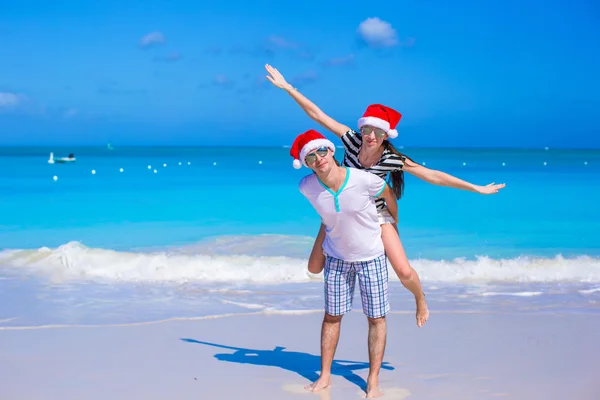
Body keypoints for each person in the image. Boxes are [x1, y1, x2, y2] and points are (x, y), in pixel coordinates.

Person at [266, 63, 507, 328]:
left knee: (403, 271)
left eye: (378, 132)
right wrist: (288, 88)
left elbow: (433, 176)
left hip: (376, 215)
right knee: (314, 268)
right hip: (341, 209)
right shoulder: (351, 140)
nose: (370, 136)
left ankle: (420, 298)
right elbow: (319, 116)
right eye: (367, 129)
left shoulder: (392, 158)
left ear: (385, 135)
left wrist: (476, 188)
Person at [291, 129, 398, 398]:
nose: (319, 159)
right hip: (336, 260)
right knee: (331, 318)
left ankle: (373, 380)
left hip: (371, 258)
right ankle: (325, 376)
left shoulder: (363, 180)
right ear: (306, 163)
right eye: (311, 156)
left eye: (322, 151)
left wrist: (391, 224)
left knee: (376, 319)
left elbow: (388, 195)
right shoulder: (307, 186)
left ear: (332, 151)